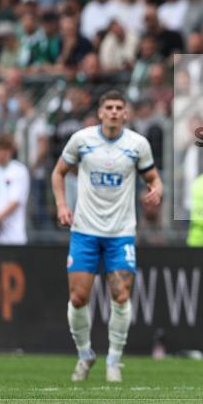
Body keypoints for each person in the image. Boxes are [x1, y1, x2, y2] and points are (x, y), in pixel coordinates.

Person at [51, 91, 163, 383]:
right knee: (78, 298)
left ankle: (114, 359)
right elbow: (58, 172)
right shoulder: (82, 140)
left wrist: (157, 189)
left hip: (120, 233)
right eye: (109, 108)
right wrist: (62, 205)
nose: (114, 112)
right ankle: (85, 354)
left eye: (119, 108)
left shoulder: (138, 145)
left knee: (121, 294)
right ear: (100, 112)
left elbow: (152, 177)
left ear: (126, 114)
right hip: (85, 231)